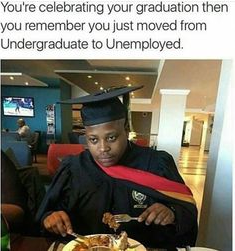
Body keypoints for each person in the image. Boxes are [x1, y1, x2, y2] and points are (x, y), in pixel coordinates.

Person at [36, 86, 198, 249]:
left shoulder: (156, 163)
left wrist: (172, 213)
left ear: (127, 130)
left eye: (111, 137)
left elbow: (187, 210)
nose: (103, 148)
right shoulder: (74, 169)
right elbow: (48, 214)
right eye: (93, 140)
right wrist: (51, 217)